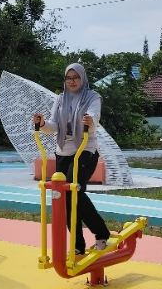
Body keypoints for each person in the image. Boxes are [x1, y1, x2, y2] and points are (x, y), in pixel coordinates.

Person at [32, 62, 111, 255]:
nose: (72, 81)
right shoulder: (61, 99)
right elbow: (54, 126)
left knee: (72, 193)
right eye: (69, 78)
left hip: (84, 150)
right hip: (63, 152)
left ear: (82, 78)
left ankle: (101, 234)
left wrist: (90, 120)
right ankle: (78, 245)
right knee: (66, 198)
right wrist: (42, 123)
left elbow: (94, 116)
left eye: (76, 78)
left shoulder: (92, 97)